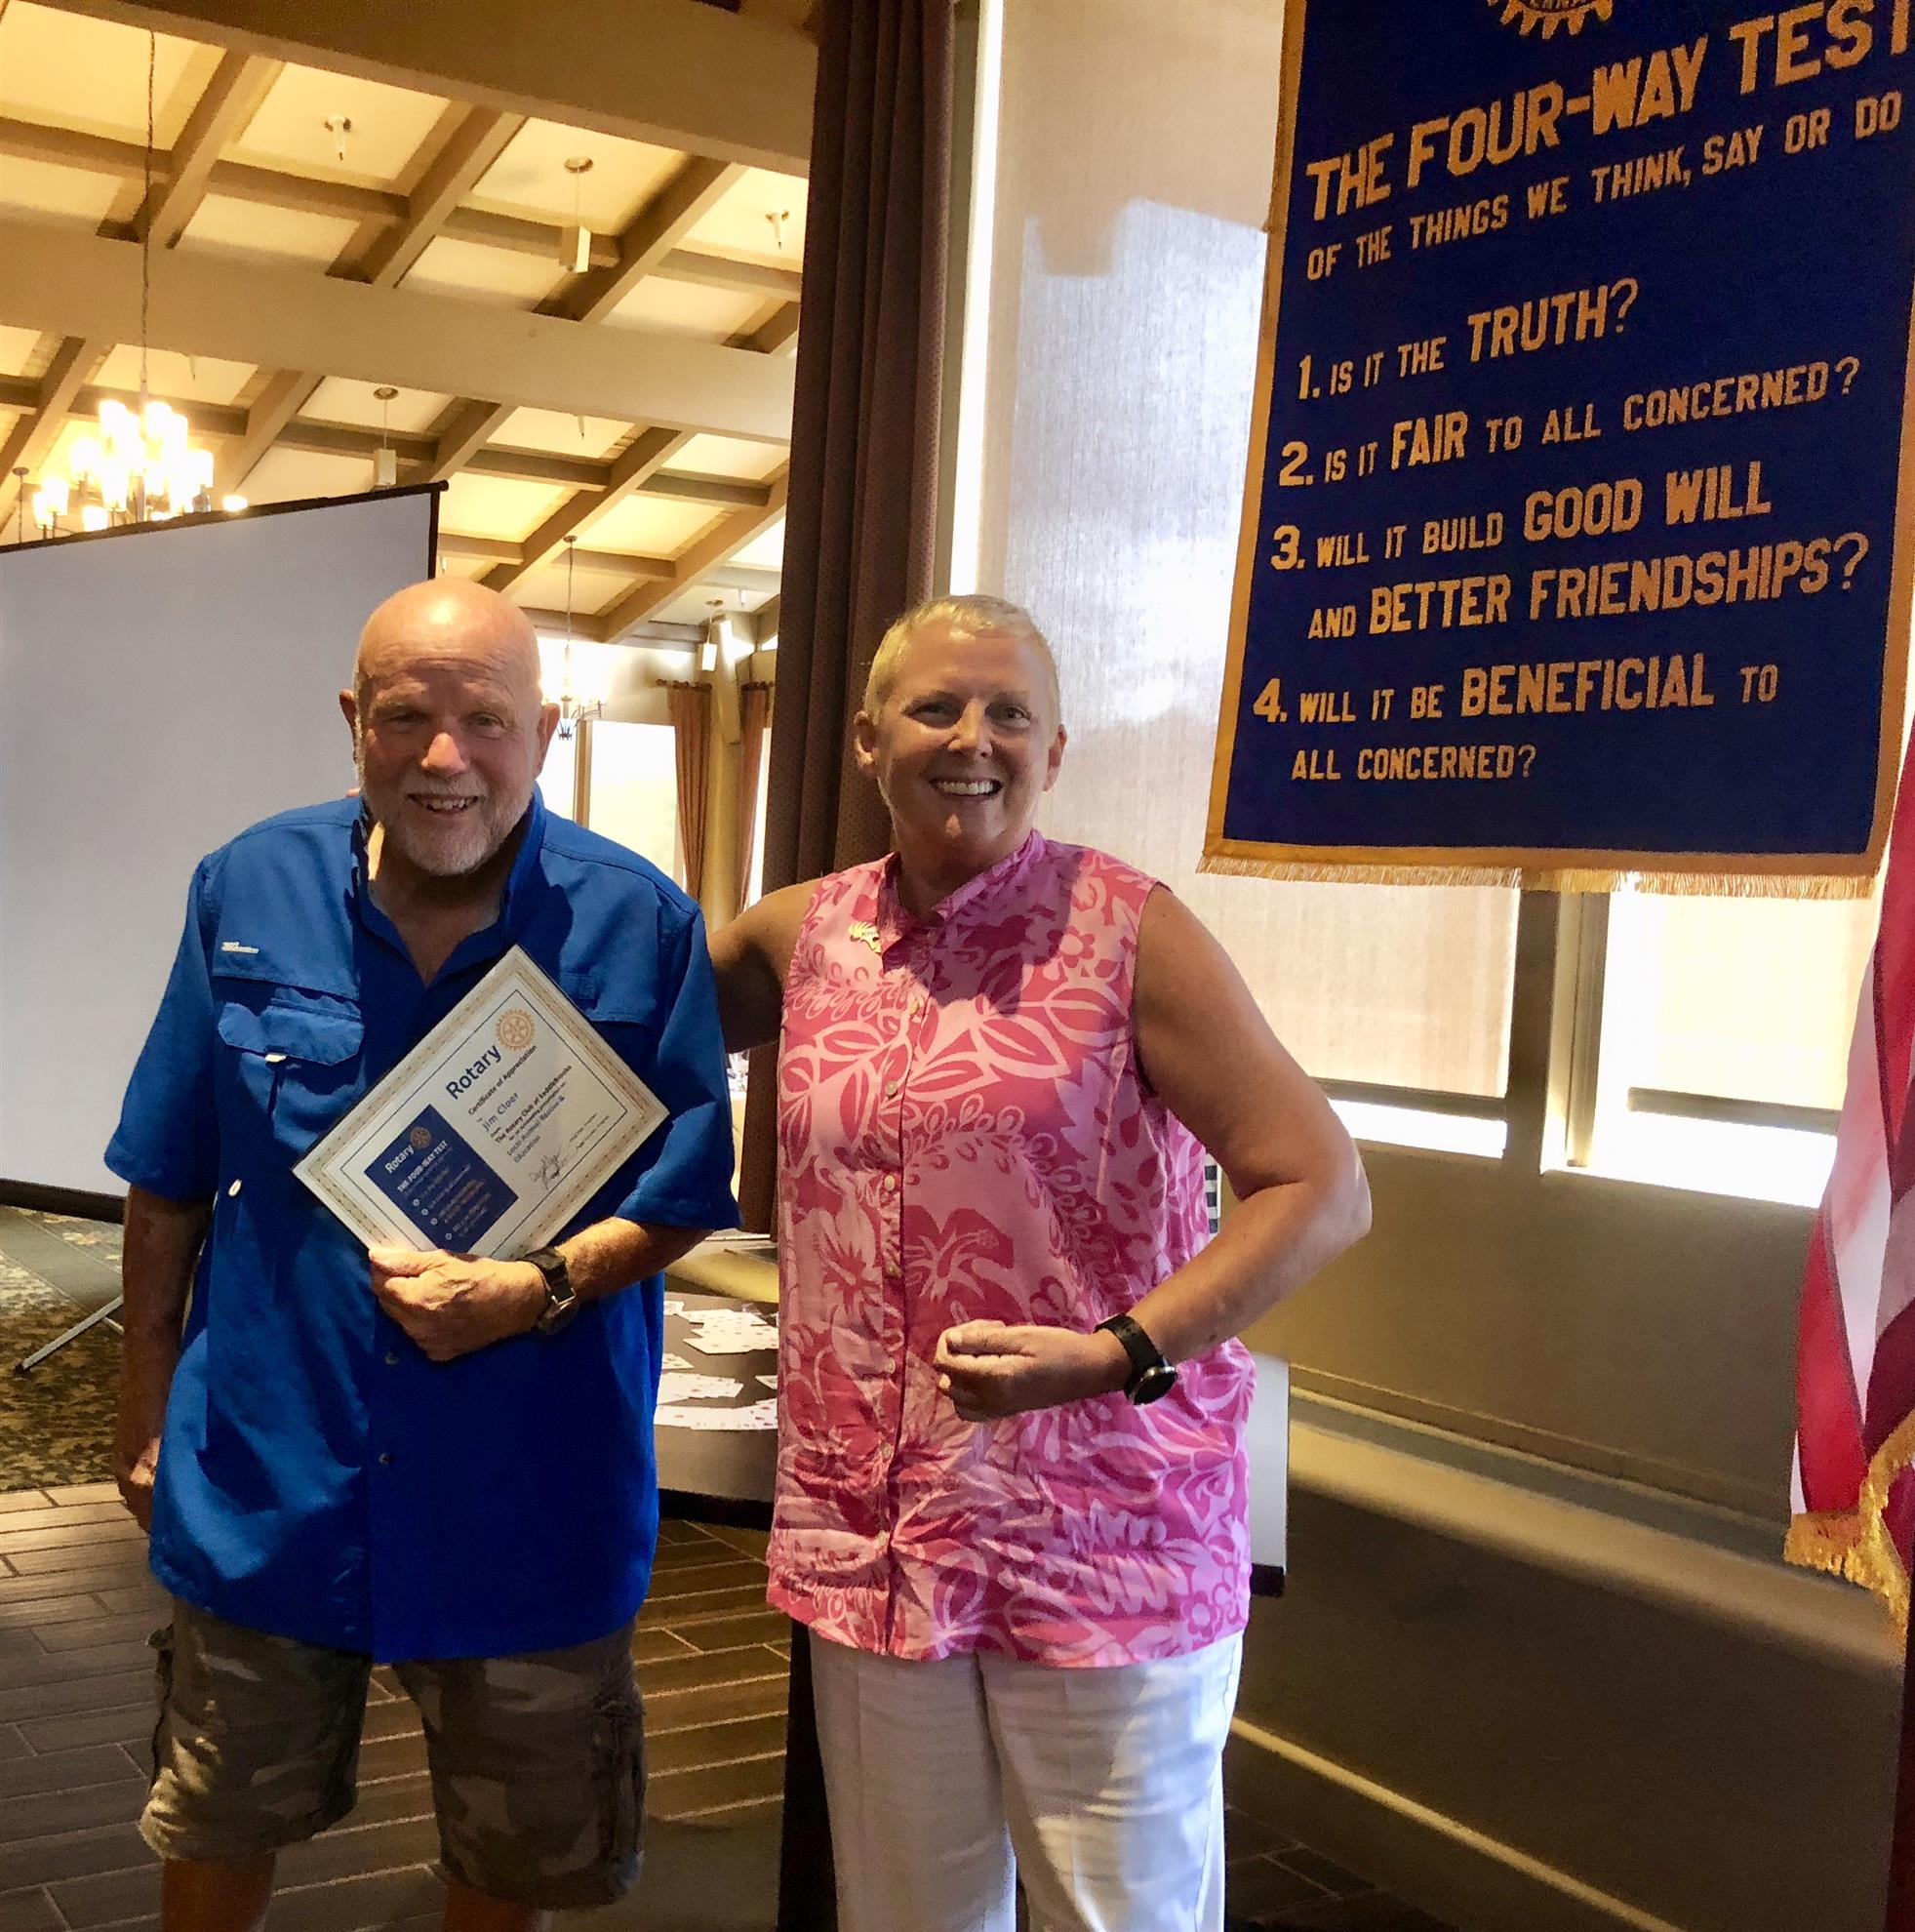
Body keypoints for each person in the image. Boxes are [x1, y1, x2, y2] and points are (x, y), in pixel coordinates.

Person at [711, 592, 1371, 1932]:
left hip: (1099, 1538)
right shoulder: (800, 938)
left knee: (1115, 1915)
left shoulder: (1129, 932)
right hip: (876, 1537)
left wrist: (1118, 1350)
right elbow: (603, 1039)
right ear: (866, 739)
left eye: (1010, 712)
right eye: (936, 708)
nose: (973, 738)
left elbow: (1321, 1185)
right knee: (908, 1914)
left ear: (1054, 750)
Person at [107, 580, 738, 1932]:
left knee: (510, 1870)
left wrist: (540, 1287)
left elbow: (687, 1192)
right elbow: (167, 1176)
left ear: (547, 731)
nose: (445, 758)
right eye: (406, 717)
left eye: (487, 721)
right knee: (216, 1825)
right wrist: (143, 1405)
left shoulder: (640, 924)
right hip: (269, 1485)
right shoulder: (247, 887)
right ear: (354, 720)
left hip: (531, 1499)